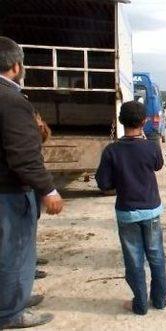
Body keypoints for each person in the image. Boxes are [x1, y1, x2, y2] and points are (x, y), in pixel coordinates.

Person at [0, 36, 63, 329]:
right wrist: (48, 189)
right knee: (16, 250)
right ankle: (11, 312)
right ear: (15, 66)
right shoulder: (12, 101)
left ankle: (15, 297)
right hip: (10, 191)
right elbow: (24, 156)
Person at [96, 101, 166, 315]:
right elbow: (158, 165)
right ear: (144, 121)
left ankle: (140, 304)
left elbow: (104, 183)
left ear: (120, 121)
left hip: (127, 212)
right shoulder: (150, 147)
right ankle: (160, 300)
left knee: (134, 259)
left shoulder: (111, 151)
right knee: (156, 255)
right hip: (152, 210)